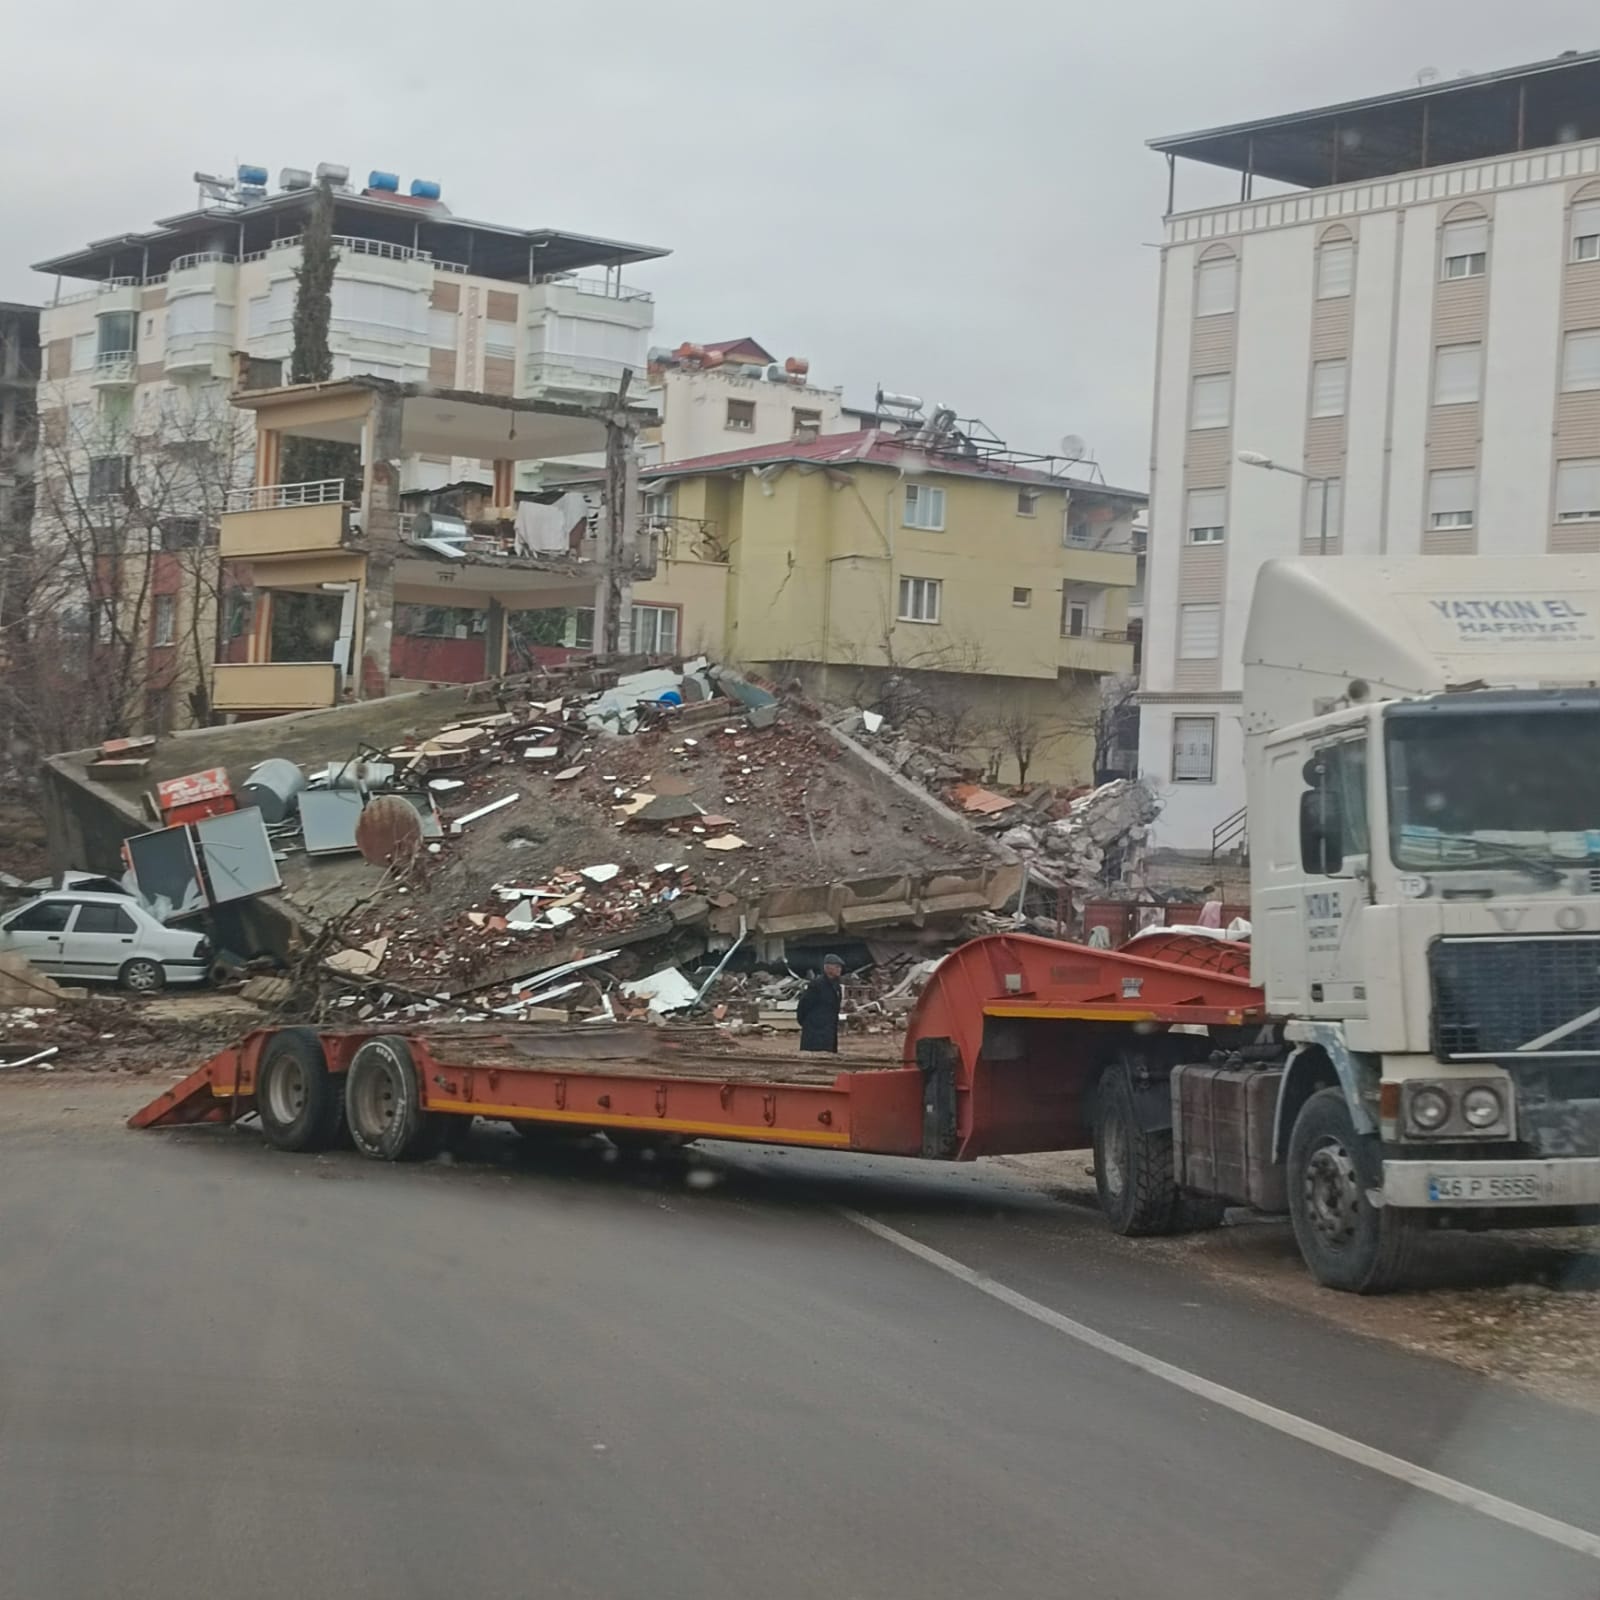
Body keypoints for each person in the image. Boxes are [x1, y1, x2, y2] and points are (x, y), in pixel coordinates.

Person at [797, 954, 844, 1053]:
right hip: (815, 1030)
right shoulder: (817, 985)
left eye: (840, 967)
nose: (839, 969)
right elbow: (804, 1005)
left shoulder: (836, 986)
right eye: (837, 967)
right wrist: (807, 1023)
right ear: (827, 968)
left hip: (829, 1029)